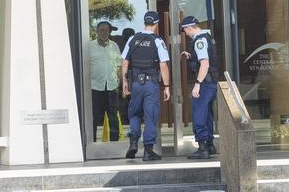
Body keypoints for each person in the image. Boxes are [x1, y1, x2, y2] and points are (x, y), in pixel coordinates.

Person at [121, 11, 170, 161]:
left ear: (144, 22)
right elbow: (163, 65)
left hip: (135, 84)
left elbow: (124, 62)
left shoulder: (132, 39)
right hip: (150, 84)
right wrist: (167, 86)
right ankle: (148, 150)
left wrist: (124, 82)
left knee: (134, 113)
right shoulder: (157, 41)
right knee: (150, 116)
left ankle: (133, 143)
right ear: (156, 24)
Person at [180, 16, 218, 159]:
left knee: (199, 114)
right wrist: (192, 57)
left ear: (190, 28)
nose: (186, 33)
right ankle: (210, 145)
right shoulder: (207, 37)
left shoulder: (199, 41)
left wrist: (197, 84)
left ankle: (202, 148)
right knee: (207, 114)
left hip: (204, 83)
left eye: (185, 30)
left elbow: (205, 64)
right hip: (210, 82)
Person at [90, 21, 123, 142]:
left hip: (112, 87)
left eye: (106, 30)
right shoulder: (89, 46)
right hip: (95, 87)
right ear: (97, 32)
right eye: (101, 30)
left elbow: (119, 65)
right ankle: (91, 143)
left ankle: (114, 144)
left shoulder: (114, 45)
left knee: (113, 117)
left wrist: (121, 82)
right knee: (93, 118)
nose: (104, 32)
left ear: (109, 32)